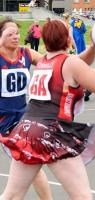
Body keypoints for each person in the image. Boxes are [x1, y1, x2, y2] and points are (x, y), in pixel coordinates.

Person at [0, 19, 95, 199]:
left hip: (27, 131)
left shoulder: (44, 61)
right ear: (68, 39)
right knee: (82, 196)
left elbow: (78, 63)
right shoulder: (69, 63)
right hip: (51, 132)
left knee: (11, 195)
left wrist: (93, 47)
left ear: (44, 40)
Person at [0, 18, 52, 199]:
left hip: (20, 120)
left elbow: (52, 63)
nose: (15, 37)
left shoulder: (26, 53)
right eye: (10, 34)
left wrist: (80, 68)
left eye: (16, 33)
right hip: (2, 120)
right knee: (28, 167)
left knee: (32, 165)